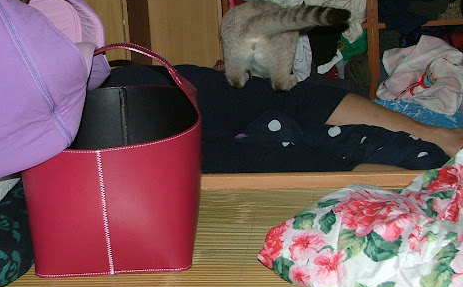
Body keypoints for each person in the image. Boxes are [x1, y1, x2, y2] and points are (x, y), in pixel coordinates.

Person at [102, 64, 463, 174]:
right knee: (264, 159)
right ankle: (429, 167)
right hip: (106, 150)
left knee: (274, 100)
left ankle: (437, 138)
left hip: (110, 97)